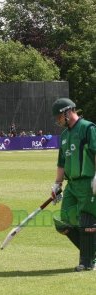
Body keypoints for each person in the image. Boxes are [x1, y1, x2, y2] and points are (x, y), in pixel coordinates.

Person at [51, 97, 96, 272]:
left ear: (67, 112)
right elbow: (61, 162)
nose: (58, 121)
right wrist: (57, 184)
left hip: (87, 182)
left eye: (58, 117)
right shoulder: (64, 135)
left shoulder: (88, 128)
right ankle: (91, 253)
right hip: (72, 185)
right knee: (64, 221)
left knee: (87, 221)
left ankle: (87, 262)